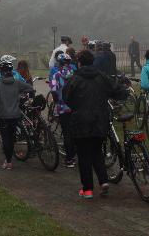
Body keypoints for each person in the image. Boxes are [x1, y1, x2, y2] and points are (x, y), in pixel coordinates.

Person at [63, 50, 125, 198]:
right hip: (100, 120)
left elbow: (66, 98)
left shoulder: (74, 79)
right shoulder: (101, 77)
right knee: (97, 152)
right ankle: (103, 181)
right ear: (92, 61)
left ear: (79, 62)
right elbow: (116, 90)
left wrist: (76, 107)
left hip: (81, 122)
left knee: (84, 156)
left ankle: (87, 189)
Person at [0, 58, 34, 170]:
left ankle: (8, 161)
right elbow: (30, 88)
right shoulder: (17, 83)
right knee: (12, 136)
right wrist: (19, 96)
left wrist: (1, 102)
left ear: (1, 72)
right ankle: (9, 159)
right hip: (15, 115)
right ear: (11, 71)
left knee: (5, 138)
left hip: (2, 115)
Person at [50, 53, 77, 167]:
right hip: (75, 107)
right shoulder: (75, 74)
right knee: (75, 131)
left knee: (66, 133)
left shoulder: (56, 75)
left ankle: (69, 159)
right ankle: (76, 154)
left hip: (62, 107)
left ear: (59, 63)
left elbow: (53, 91)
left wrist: (57, 102)